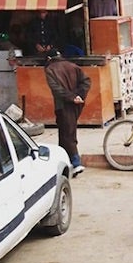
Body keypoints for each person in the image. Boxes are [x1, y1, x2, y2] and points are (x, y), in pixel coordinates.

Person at [44, 49, 91, 177]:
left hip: (63, 105)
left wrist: (72, 97)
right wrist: (79, 95)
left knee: (68, 134)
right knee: (66, 131)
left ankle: (76, 163)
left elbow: (56, 89)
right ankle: (64, 161)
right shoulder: (73, 66)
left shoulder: (50, 70)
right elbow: (86, 81)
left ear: (49, 58)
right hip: (77, 104)